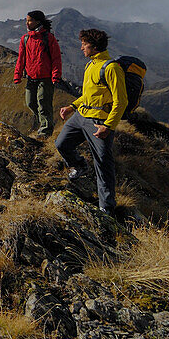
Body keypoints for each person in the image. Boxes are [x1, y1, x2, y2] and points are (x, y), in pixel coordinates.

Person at [55, 28, 127, 215]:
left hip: (98, 121)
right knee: (61, 144)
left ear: (94, 46)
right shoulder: (90, 65)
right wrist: (72, 106)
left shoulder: (111, 68)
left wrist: (108, 126)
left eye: (84, 44)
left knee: (103, 162)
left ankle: (106, 207)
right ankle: (79, 166)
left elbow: (121, 101)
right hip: (80, 116)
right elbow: (87, 96)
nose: (81, 48)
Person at [13, 10, 62, 137]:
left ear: (38, 22)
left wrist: (55, 75)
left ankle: (46, 131)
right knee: (30, 103)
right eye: (26, 20)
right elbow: (21, 58)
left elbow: (56, 58)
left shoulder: (48, 38)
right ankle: (45, 123)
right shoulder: (25, 39)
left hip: (45, 78)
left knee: (43, 104)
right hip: (31, 77)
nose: (27, 23)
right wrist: (17, 75)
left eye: (30, 20)